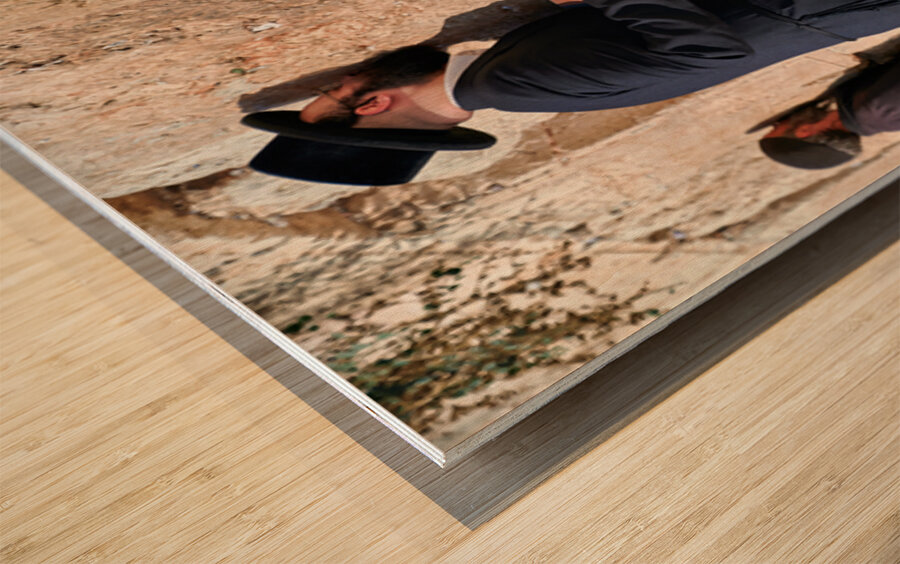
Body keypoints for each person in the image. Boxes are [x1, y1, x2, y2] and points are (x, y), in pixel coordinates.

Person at [243, 0, 900, 185]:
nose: (342, 79)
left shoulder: (506, 82)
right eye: (335, 92)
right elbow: (711, 50)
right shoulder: (516, 81)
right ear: (373, 106)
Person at [752, 55, 900, 168]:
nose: (778, 122)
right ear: (804, 131)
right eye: (776, 127)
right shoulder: (876, 108)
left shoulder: (879, 118)